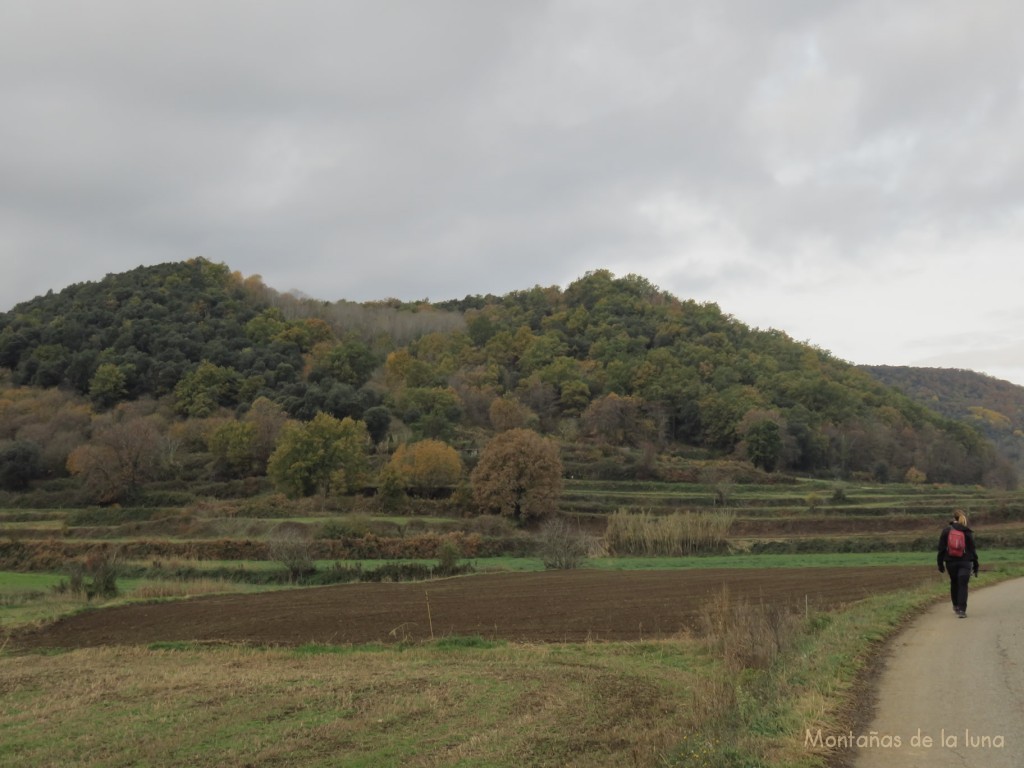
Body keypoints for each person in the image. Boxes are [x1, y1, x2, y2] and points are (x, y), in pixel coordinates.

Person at [937, 509, 979, 618]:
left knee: (954, 582)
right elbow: (972, 549)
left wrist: (940, 563)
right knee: (963, 585)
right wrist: (976, 564)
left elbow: (941, 548)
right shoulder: (966, 531)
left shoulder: (946, 530)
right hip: (965, 562)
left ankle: (955, 605)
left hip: (950, 562)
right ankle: (962, 610)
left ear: (953, 518)